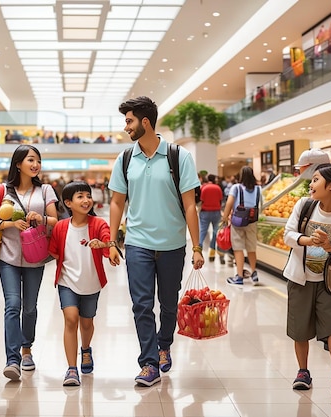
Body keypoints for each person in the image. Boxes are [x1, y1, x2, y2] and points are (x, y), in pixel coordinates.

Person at [108, 96, 204, 387]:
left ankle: (164, 344)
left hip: (172, 244)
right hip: (137, 243)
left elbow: (190, 206)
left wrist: (197, 247)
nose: (126, 127)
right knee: (141, 304)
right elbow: (116, 202)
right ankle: (149, 362)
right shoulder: (125, 159)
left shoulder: (179, 156)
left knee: (168, 303)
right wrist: (113, 241)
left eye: (129, 120)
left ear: (145, 122)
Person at [282, 163, 331, 393]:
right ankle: (303, 372)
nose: (311, 184)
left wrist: (329, 244)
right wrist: (309, 240)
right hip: (300, 277)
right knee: (300, 327)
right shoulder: (304, 206)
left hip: (330, 280)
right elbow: (288, 235)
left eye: (316, 180)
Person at [0, 144, 58, 381]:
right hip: (8, 255)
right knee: (12, 305)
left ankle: (27, 348)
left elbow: (55, 221)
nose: (35, 164)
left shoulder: (46, 190)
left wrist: (42, 218)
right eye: (30, 160)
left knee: (30, 307)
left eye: (38, 160)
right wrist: (10, 224)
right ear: (18, 164)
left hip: (35, 257)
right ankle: (13, 359)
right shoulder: (1, 190)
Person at [48, 181, 116, 386]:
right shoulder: (61, 226)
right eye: (80, 196)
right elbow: (54, 250)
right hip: (67, 281)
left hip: (91, 283)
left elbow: (107, 239)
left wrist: (106, 245)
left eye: (88, 195)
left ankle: (86, 349)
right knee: (71, 319)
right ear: (68, 202)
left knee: (87, 323)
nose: (86, 200)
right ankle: (71, 369)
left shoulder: (98, 224)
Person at [222, 166, 262, 286]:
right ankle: (254, 272)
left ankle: (239, 277)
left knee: (238, 248)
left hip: (238, 221)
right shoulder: (258, 189)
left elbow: (229, 203)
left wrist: (224, 217)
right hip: (252, 221)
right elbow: (261, 204)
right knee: (251, 248)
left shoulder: (236, 187)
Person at [199, 174, 224, 263]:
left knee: (202, 231)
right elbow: (221, 200)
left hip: (205, 212)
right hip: (216, 212)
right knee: (215, 232)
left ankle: (198, 250)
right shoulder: (218, 188)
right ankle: (212, 252)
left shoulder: (204, 188)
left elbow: (201, 200)